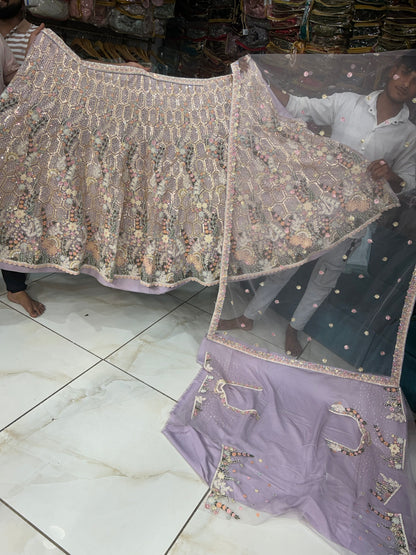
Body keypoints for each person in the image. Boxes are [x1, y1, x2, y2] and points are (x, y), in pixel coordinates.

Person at [218, 52, 416, 357]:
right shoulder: (348, 102)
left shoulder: (408, 134)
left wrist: (390, 175)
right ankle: (249, 317)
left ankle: (295, 329)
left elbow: (409, 181)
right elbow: (299, 106)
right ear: (392, 71)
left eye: (415, 82)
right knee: (289, 260)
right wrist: (258, 77)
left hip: (354, 217)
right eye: (404, 73)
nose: (406, 84)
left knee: (327, 274)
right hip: (315, 205)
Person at [0, 0, 46, 316]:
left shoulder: (7, 44)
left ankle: (15, 288)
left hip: (7, 139)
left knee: (10, 212)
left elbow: (19, 84)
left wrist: (34, 54)